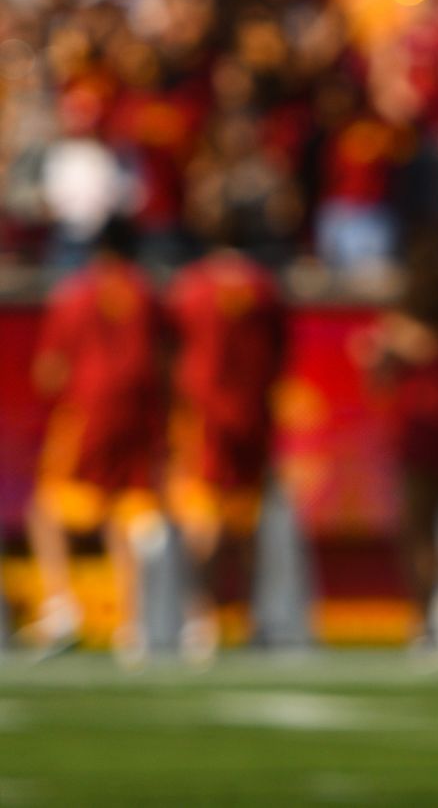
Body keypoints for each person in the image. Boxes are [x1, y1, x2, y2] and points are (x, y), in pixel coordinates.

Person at [20, 220, 167, 659]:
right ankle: (133, 626)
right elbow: (163, 359)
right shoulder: (147, 294)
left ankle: (61, 608)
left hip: (87, 414)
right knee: (122, 515)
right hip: (139, 417)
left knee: (44, 512)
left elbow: (50, 371)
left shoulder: (76, 293)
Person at [163, 229, 286, 663]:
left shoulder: (190, 287)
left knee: (205, 522)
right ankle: (252, 619)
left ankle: (202, 621)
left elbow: (170, 350)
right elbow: (280, 352)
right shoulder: (264, 286)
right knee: (246, 525)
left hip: (204, 416)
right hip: (251, 415)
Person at [354, 226, 438, 648]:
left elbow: (377, 374)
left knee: (418, 529)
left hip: (422, 432)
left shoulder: (402, 329)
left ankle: (427, 617)